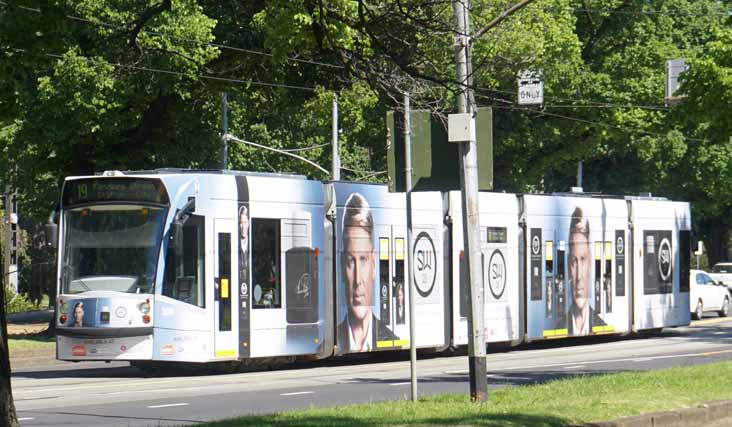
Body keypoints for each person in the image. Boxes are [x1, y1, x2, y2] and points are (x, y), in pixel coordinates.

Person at [337, 193, 398, 352]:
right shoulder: (330, 341)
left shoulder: (394, 341)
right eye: (351, 260)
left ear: (374, 265)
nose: (358, 280)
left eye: (363, 259)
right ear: (343, 267)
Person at [567, 207, 605, 335]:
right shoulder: (558, 326)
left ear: (590, 264)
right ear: (568, 266)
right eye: (574, 261)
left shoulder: (602, 325)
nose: (579, 277)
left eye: (583, 260)